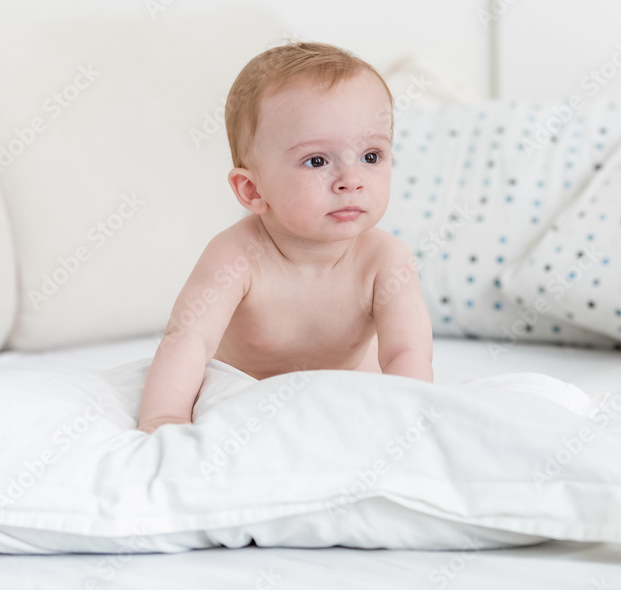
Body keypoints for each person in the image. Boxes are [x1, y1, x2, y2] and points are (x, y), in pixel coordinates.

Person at [137, 42, 433, 433]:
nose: (351, 181)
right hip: (249, 393)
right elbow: (188, 340)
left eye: (371, 156)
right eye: (317, 161)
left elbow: (407, 353)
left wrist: (408, 423)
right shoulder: (236, 257)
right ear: (252, 191)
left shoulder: (385, 259)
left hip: (352, 393)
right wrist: (164, 418)